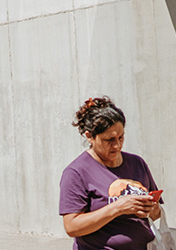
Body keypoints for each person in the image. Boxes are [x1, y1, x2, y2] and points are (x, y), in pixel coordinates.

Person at [59, 97, 162, 249]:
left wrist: (152, 210)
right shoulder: (76, 172)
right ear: (89, 136)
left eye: (121, 137)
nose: (117, 145)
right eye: (109, 139)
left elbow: (156, 213)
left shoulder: (137, 163)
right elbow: (72, 227)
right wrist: (117, 208)